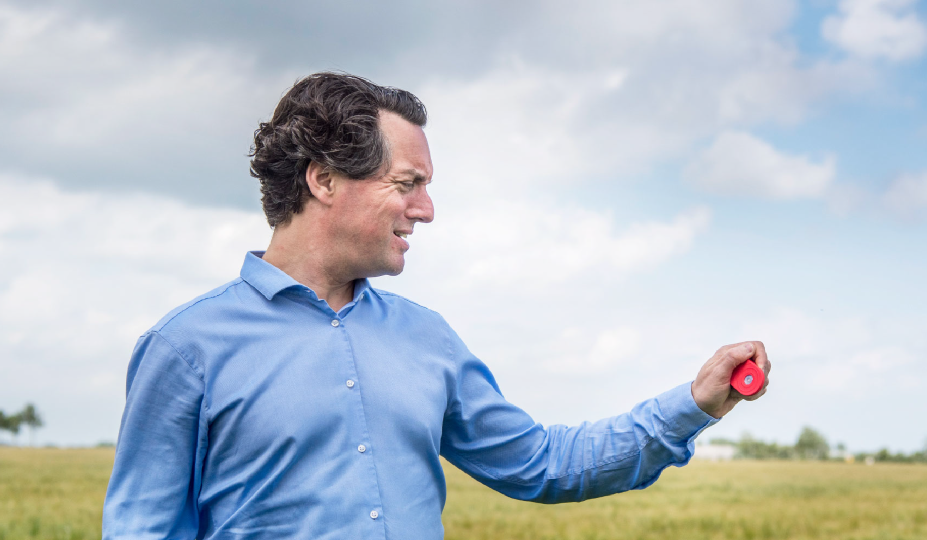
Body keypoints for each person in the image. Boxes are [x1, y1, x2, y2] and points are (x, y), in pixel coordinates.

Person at [102, 72, 770, 540]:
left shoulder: (427, 338)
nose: (426, 209)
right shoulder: (187, 348)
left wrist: (694, 403)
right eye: (408, 184)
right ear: (324, 179)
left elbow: (542, 465)